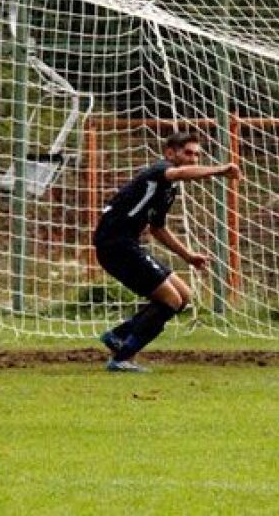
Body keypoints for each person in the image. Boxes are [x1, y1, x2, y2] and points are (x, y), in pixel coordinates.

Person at [96, 131, 241, 372]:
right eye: (188, 153)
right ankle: (122, 357)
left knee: (183, 296)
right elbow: (179, 173)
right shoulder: (159, 170)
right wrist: (220, 170)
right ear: (170, 153)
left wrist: (188, 256)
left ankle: (119, 335)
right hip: (115, 245)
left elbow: (158, 228)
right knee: (170, 300)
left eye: (197, 155)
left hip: (127, 245)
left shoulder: (168, 190)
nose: (193, 159)